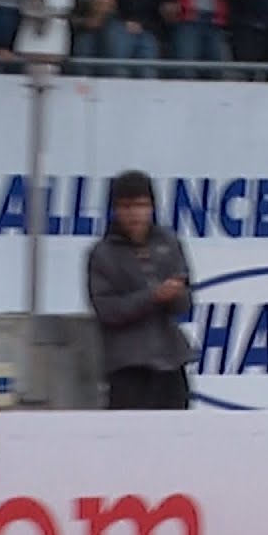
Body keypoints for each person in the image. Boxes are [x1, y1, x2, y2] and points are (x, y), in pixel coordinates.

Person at [86, 170, 195, 410]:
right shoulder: (102, 254)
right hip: (128, 369)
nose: (134, 214)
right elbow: (107, 310)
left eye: (141, 205)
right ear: (115, 210)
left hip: (170, 364)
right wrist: (153, 296)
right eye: (126, 207)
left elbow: (185, 304)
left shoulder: (168, 243)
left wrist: (175, 294)